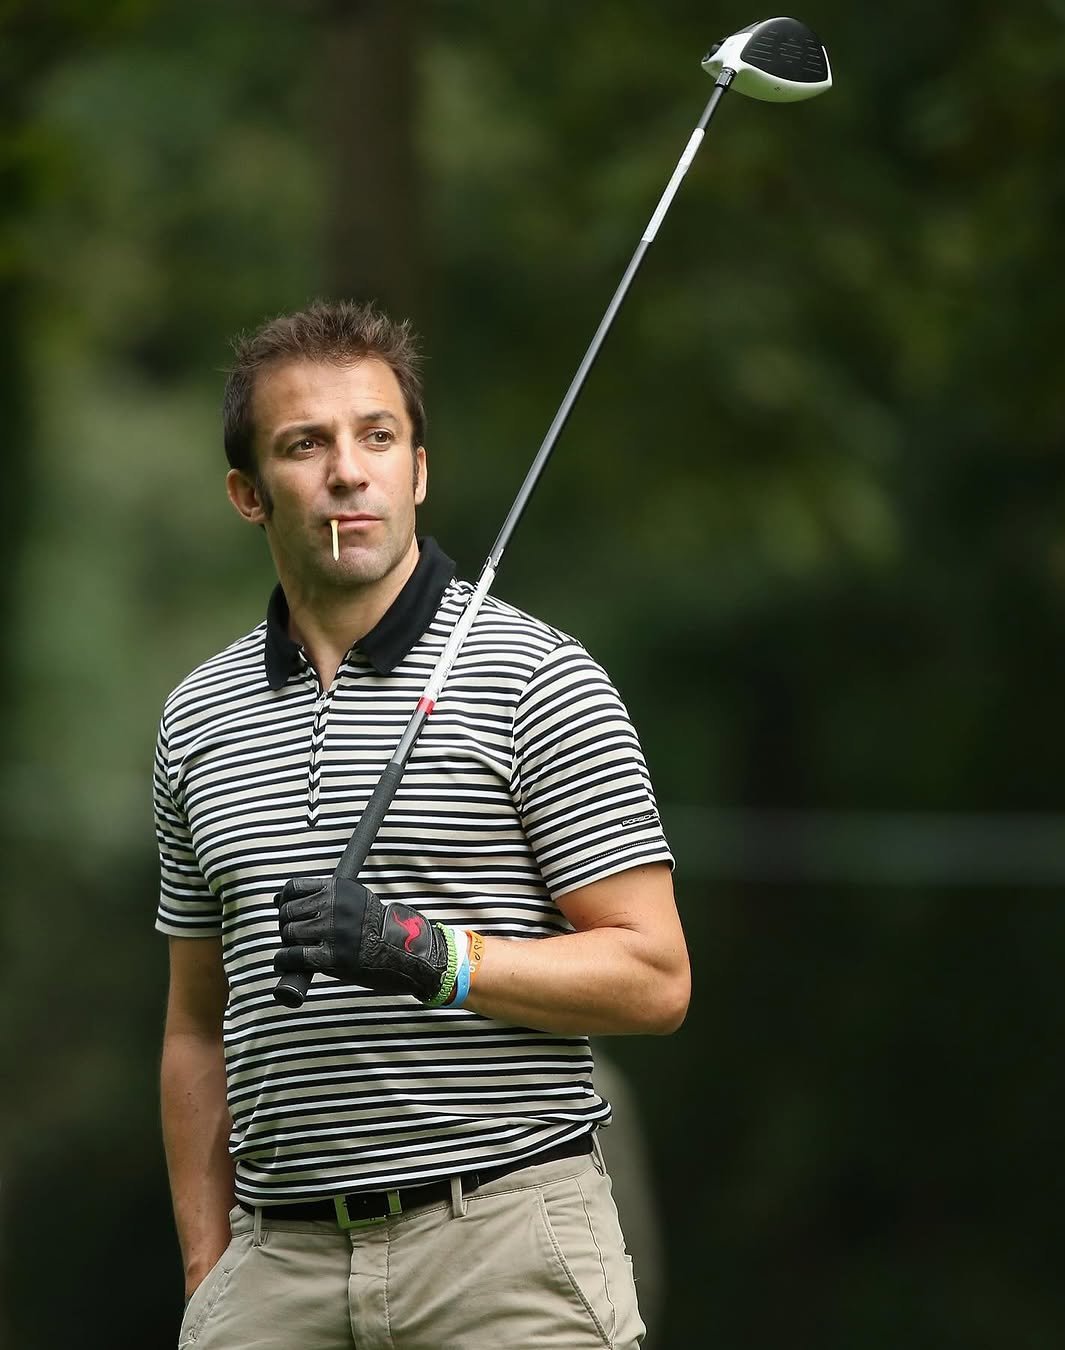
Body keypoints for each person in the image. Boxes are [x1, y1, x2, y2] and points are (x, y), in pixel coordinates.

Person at [156, 298, 691, 1350]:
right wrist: (208, 1272)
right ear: (248, 493)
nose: (347, 473)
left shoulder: (540, 677)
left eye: (377, 437)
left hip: (503, 1245)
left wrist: (428, 954)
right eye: (304, 445)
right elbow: (193, 1027)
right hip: (277, 1270)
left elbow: (655, 976)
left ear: (419, 471)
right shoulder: (197, 719)